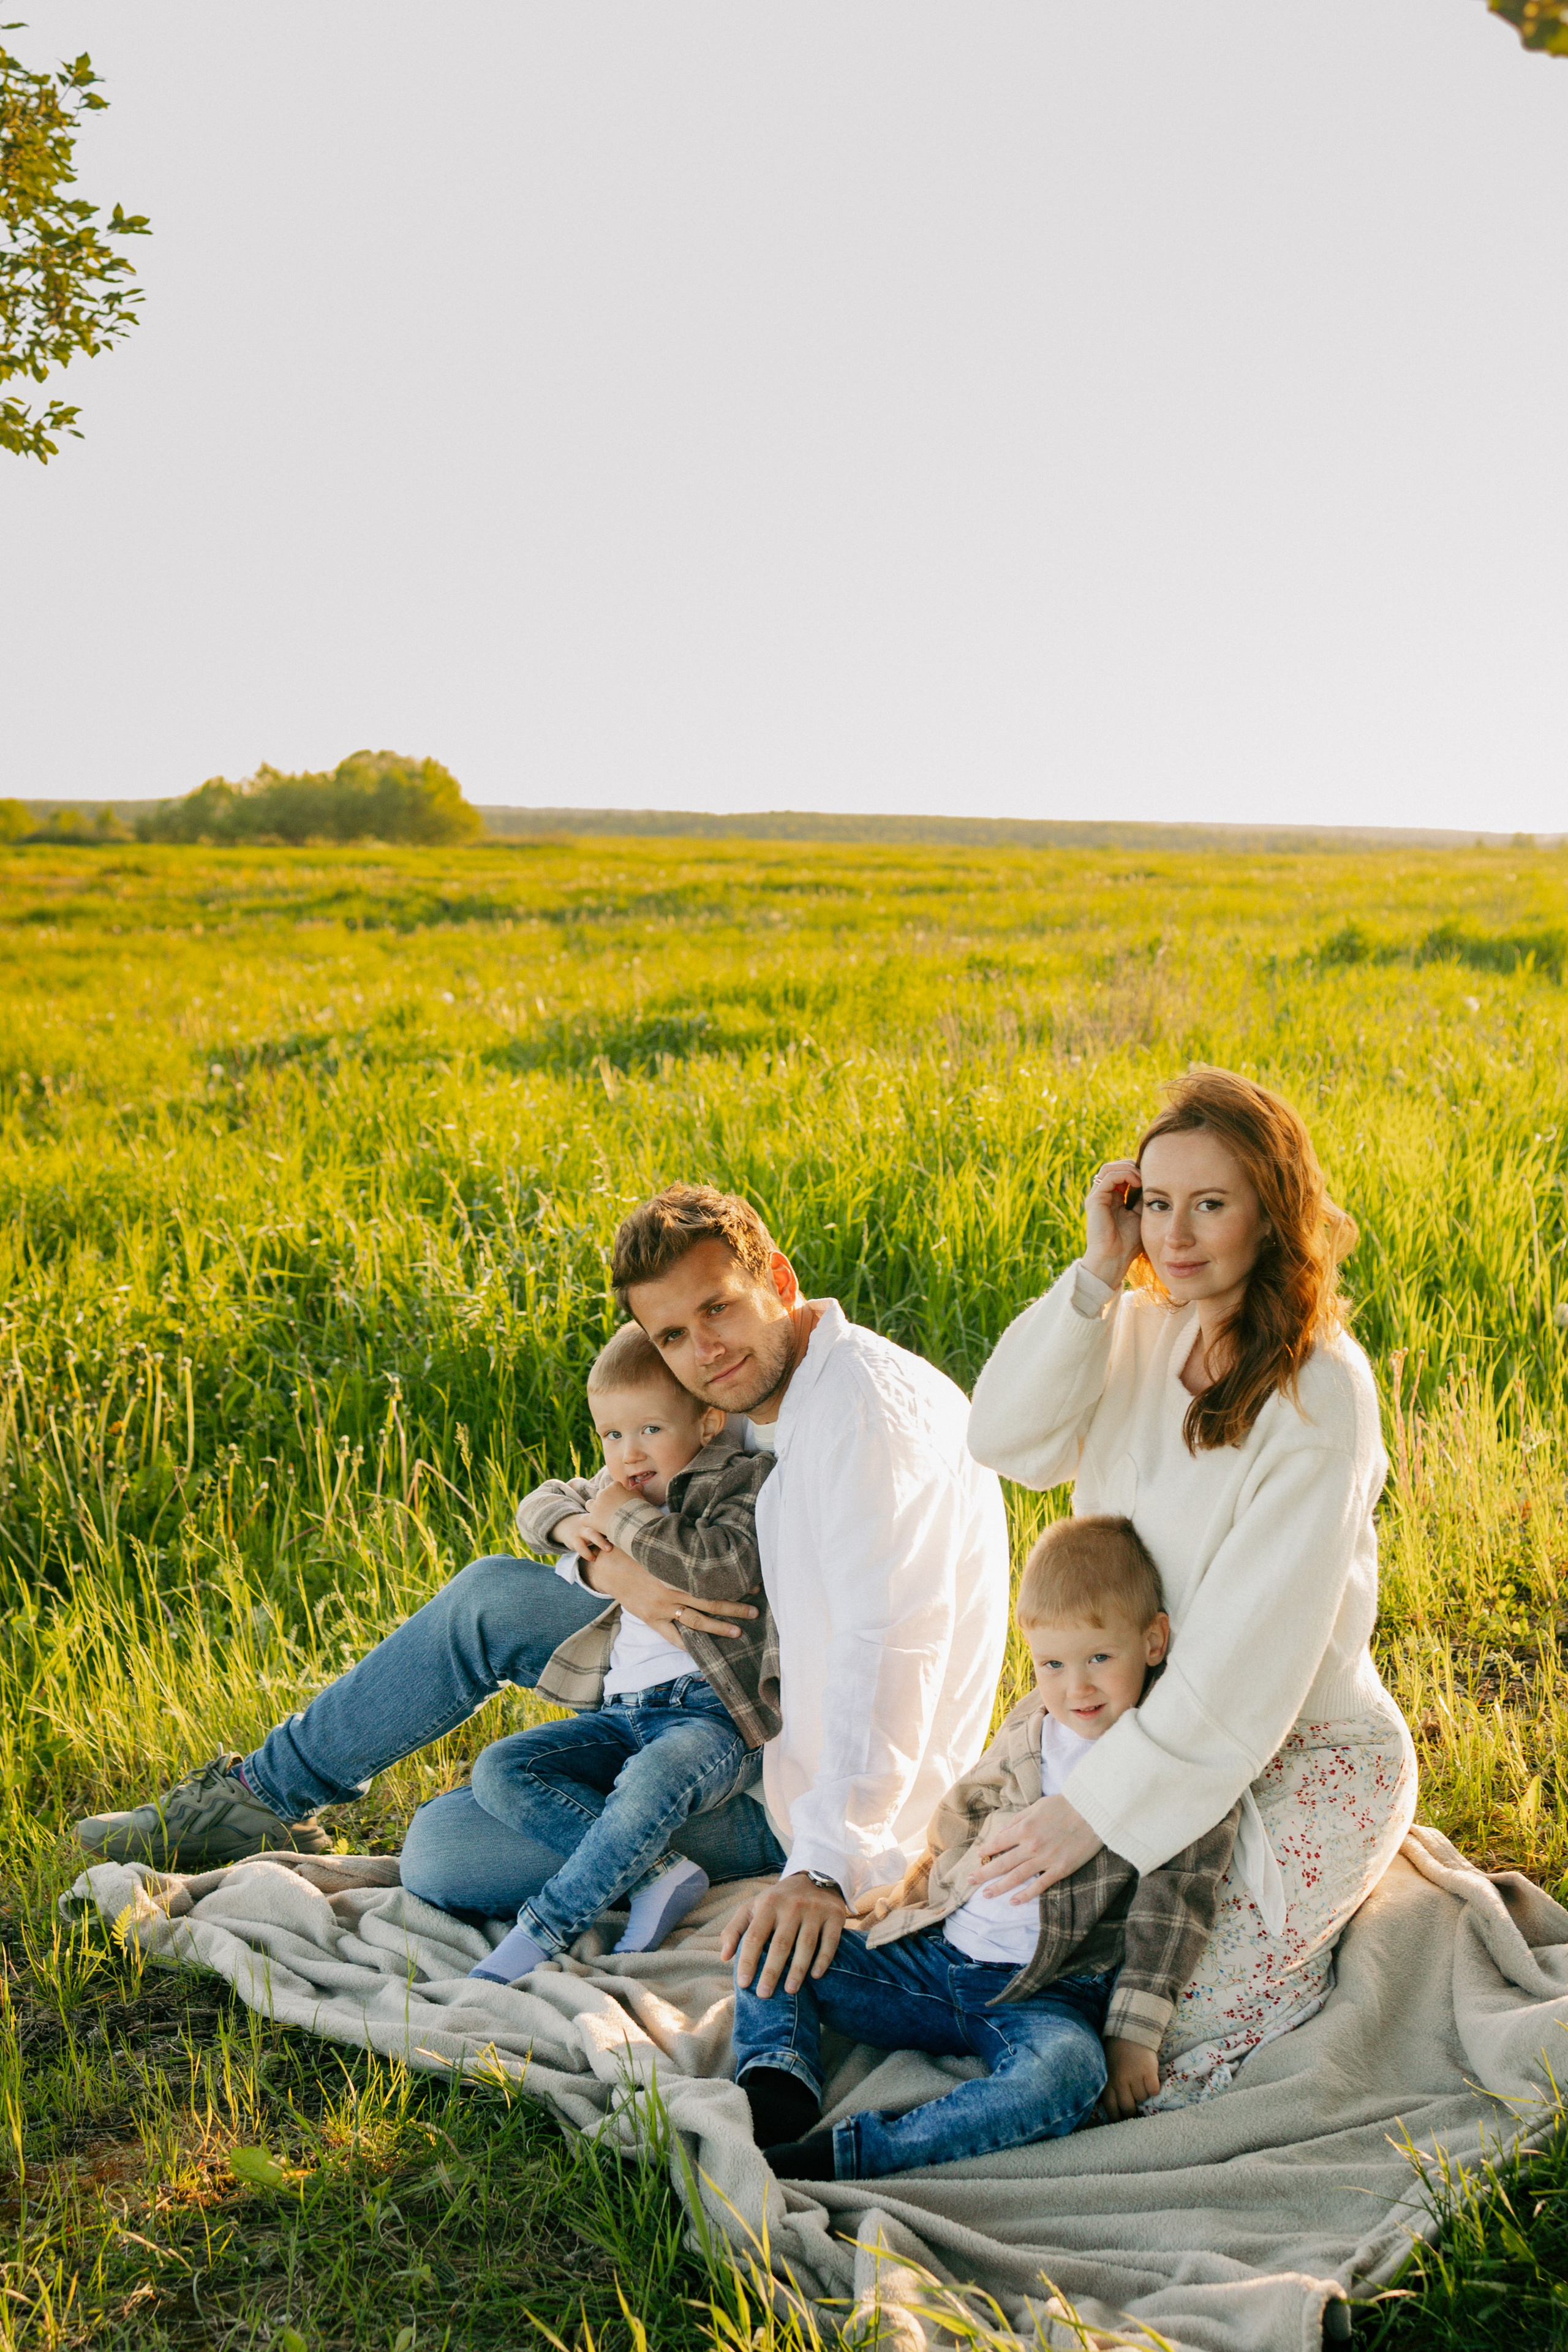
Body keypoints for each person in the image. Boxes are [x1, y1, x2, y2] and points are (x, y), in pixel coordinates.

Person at [78, 1185, 1011, 2003]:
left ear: (780, 1274)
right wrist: (611, 1569)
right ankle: (258, 1792)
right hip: (715, 1666)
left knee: (444, 1850)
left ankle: (653, 1848)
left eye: (719, 1310)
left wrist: (825, 1869)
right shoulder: (776, 1387)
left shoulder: (864, 1423)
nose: (703, 1353)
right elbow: (625, 1490)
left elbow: (886, 1655)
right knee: (493, 1595)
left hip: (777, 1768)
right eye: (673, 1335)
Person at [965, 1065, 1419, 2105]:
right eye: (1157, 1203)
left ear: (1274, 1211)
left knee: (1169, 2036)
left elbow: (1250, 1668)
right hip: (1125, 1706)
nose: (1175, 1235)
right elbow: (1006, 1440)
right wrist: (1093, 1275)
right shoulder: (1137, 1330)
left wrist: (1090, 1812)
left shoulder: (1322, 1391)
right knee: (994, 1942)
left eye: (1209, 1204)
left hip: (1293, 1744)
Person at [734, 1514, 1240, 2180]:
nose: (1075, 1687)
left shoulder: (1169, 1765)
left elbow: (1174, 1908)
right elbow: (961, 1819)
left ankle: (855, 2153)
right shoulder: (1034, 1723)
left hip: (1043, 1993)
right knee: (776, 1938)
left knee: (1068, 2075)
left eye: (1098, 1659)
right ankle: (777, 2084)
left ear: (1152, 1641)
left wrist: (1132, 2033)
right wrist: (906, 1898)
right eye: (1052, 1664)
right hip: (938, 1961)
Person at [469, 1319, 777, 1982]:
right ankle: (661, 1874)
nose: (629, 1453)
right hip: (623, 1712)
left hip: (712, 1717)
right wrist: (575, 1521)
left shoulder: (738, 1482)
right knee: (501, 1768)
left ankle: (538, 1935)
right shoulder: (617, 1489)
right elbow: (539, 1503)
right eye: (612, 1435)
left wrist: (617, 1515)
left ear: (706, 1422)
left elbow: (719, 1568)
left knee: (649, 1784)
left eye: (649, 1430)